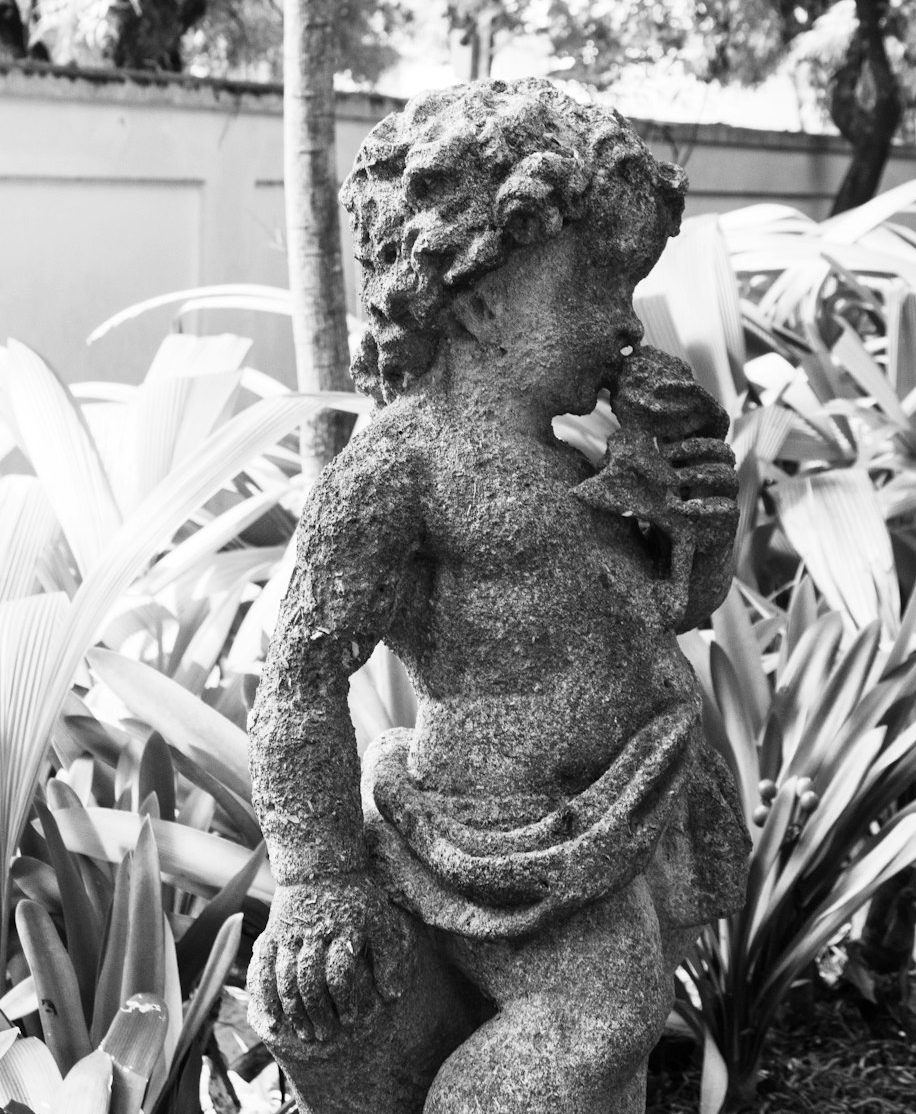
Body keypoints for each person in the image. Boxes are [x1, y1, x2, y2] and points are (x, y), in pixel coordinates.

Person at [248, 78, 748, 1114]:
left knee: (615, 1045)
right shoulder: (402, 461)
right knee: (598, 1015)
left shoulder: (579, 461)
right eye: (597, 291)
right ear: (479, 295)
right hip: (503, 829)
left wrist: (703, 523)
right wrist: (315, 874)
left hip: (616, 804)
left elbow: (670, 606)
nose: (625, 326)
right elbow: (300, 671)